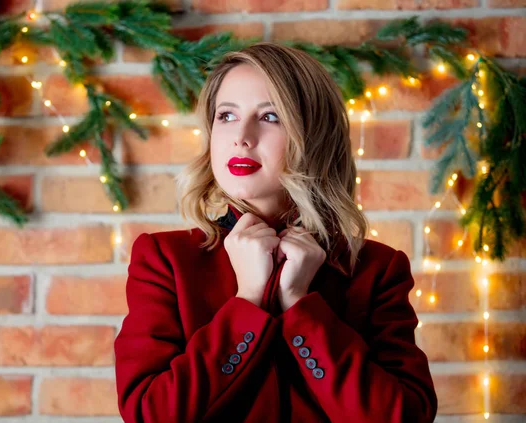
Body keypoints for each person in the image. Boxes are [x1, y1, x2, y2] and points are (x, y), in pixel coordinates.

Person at [114, 41, 437, 423]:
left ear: (313, 136)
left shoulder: (377, 269)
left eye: (270, 117)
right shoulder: (165, 259)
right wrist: (247, 300)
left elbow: (404, 417)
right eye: (226, 116)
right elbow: (150, 414)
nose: (242, 137)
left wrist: (302, 306)